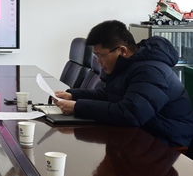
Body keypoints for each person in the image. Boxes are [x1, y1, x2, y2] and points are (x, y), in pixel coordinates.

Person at [55, 20, 193, 148]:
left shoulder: (151, 72)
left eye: (101, 55)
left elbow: (129, 113)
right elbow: (109, 94)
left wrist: (77, 107)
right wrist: (73, 95)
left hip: (167, 143)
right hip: (143, 134)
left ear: (122, 51)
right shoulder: (129, 65)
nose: (98, 61)